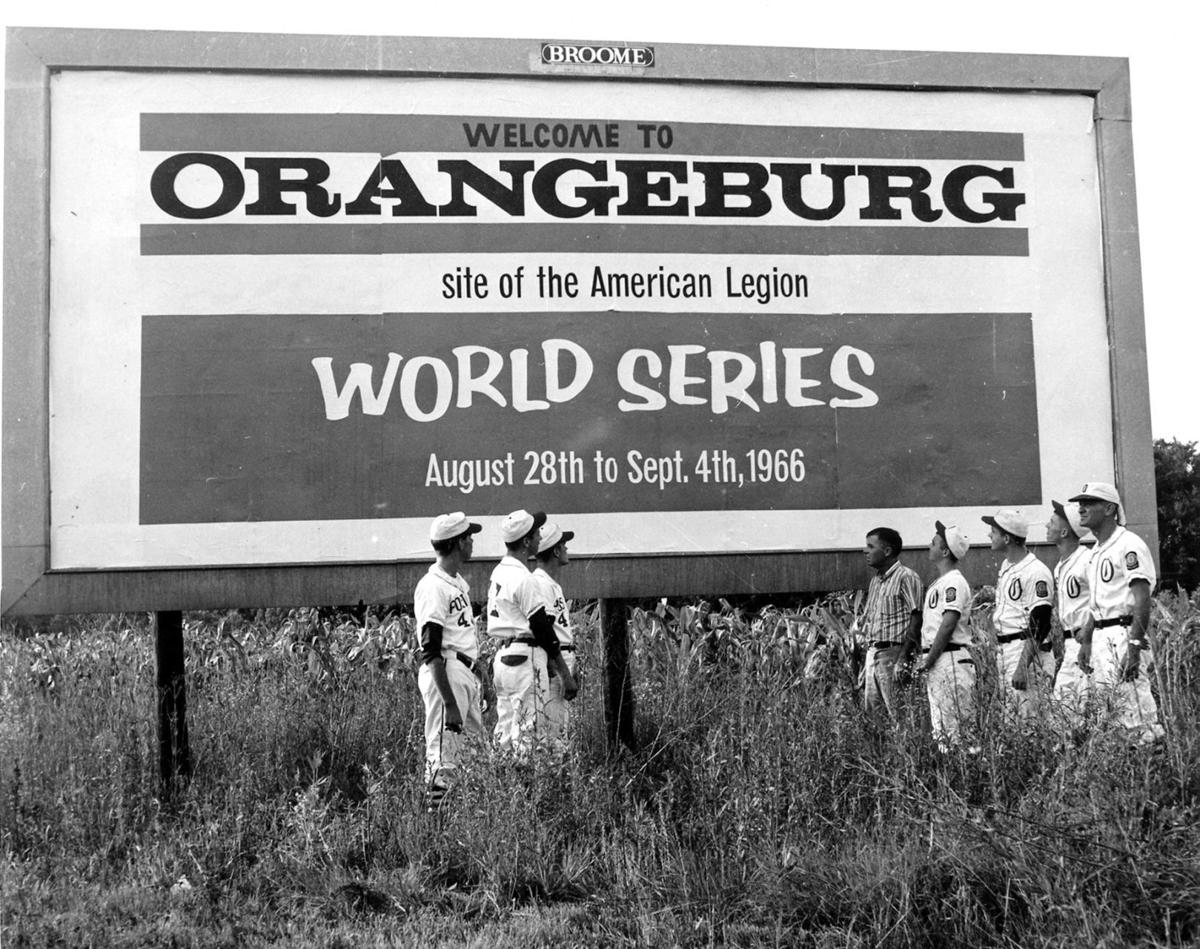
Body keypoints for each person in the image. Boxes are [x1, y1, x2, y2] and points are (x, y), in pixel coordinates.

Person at [1069, 482, 1164, 743]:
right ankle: (1128, 777)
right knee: (1111, 717)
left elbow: (1142, 598)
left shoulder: (1128, 544)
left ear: (1110, 508)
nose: (1081, 508)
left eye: (1089, 502)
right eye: (1080, 503)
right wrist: (1086, 640)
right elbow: (1096, 604)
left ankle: (1151, 771)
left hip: (1124, 633)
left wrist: (1134, 646)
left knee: (1136, 715)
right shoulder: (1096, 551)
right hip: (1101, 634)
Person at [488, 509, 578, 755]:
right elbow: (541, 627)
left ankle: (506, 790)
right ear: (526, 541)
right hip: (527, 654)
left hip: (506, 654)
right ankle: (531, 791)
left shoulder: (499, 572)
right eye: (535, 532)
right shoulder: (525, 578)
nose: (539, 537)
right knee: (533, 733)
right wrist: (562, 670)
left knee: (507, 735)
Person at [413, 512, 484, 809]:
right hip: (447, 673)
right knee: (444, 759)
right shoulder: (433, 586)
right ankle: (433, 831)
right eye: (468, 537)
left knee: (475, 759)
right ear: (457, 543)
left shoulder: (454, 583)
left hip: (462, 671)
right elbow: (430, 649)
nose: (471, 541)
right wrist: (450, 703)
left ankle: (462, 827)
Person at [984, 508, 1055, 718]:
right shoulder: (1007, 566)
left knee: (1029, 722)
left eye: (994, 532)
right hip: (1008, 650)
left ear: (1007, 538)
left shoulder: (1035, 570)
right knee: (1013, 722)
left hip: (1026, 652)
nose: (989, 535)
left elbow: (1041, 623)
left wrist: (1023, 665)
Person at [916, 521, 975, 749]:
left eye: (933, 543)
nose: (928, 546)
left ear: (944, 551)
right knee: (942, 729)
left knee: (956, 730)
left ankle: (964, 777)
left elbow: (948, 624)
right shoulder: (941, 582)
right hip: (939, 660)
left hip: (950, 659)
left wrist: (928, 659)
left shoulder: (954, 582)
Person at [860, 527, 923, 717]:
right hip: (873, 654)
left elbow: (917, 617)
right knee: (874, 716)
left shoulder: (907, 577)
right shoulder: (876, 581)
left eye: (871, 547)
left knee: (899, 715)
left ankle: (906, 748)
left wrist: (904, 657)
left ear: (887, 551)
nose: (865, 551)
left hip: (893, 654)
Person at [530, 521, 577, 750]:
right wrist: (563, 673)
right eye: (564, 544)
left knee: (561, 731)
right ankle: (553, 782)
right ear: (556, 551)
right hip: (554, 665)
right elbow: (544, 632)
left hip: (562, 660)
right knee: (552, 734)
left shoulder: (551, 584)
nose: (567, 549)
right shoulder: (540, 583)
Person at [1045, 499, 1094, 720]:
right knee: (1062, 714)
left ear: (1065, 531)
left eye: (1052, 522)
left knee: (1088, 707)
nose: (1047, 525)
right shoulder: (1060, 566)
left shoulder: (1087, 559)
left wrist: (1089, 635)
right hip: (1070, 643)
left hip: (1087, 641)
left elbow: (1100, 599)